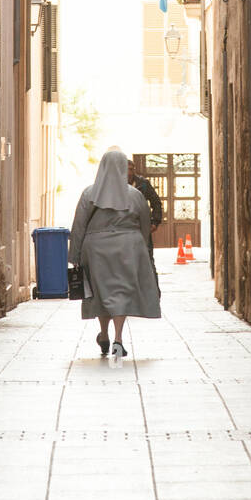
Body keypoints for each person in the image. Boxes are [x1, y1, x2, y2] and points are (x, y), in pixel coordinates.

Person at [69, 148, 161, 364]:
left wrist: (74, 255)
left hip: (96, 249)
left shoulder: (88, 194)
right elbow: (145, 224)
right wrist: (143, 247)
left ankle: (104, 334)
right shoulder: (135, 194)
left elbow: (79, 226)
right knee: (122, 290)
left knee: (102, 291)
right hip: (128, 247)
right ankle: (118, 338)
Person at [127, 157, 163, 293]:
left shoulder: (143, 184)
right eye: (127, 169)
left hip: (142, 229)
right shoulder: (115, 184)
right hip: (124, 229)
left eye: (132, 169)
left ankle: (154, 293)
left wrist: (155, 222)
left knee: (148, 260)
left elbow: (156, 203)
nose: (130, 172)